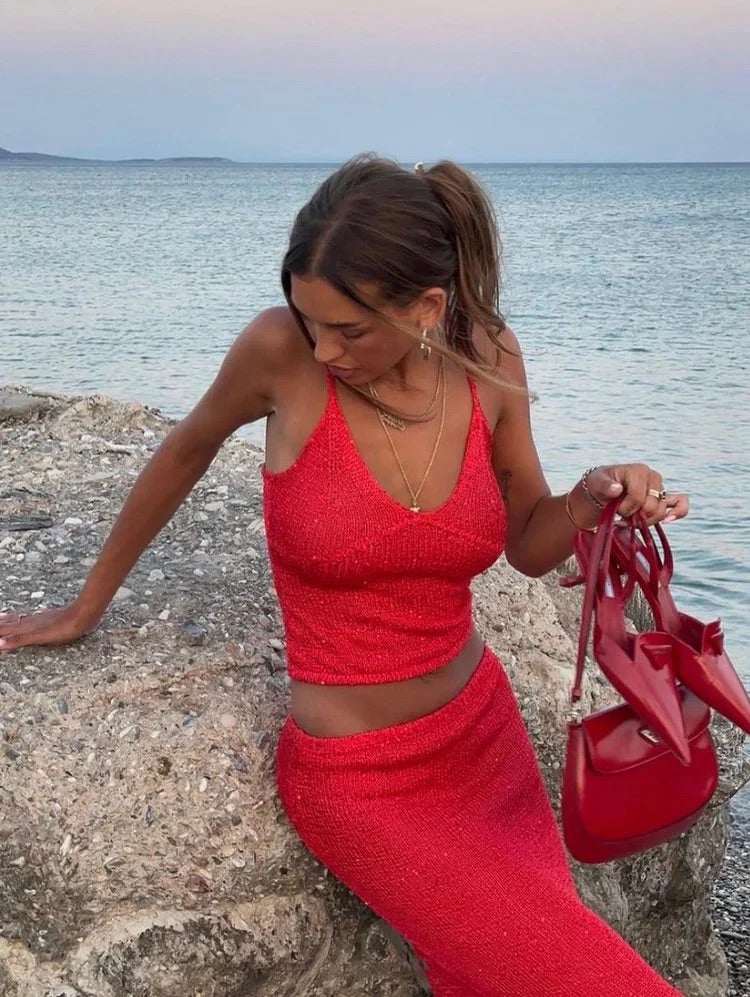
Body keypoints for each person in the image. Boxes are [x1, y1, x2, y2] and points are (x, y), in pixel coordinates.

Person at [0, 155, 689, 995]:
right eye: (310, 319)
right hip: (358, 784)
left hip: (485, 744)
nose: (325, 348)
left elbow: (528, 543)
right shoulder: (278, 352)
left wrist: (589, 500)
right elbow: (184, 450)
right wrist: (85, 604)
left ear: (426, 307)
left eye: (351, 330)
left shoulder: (490, 356)